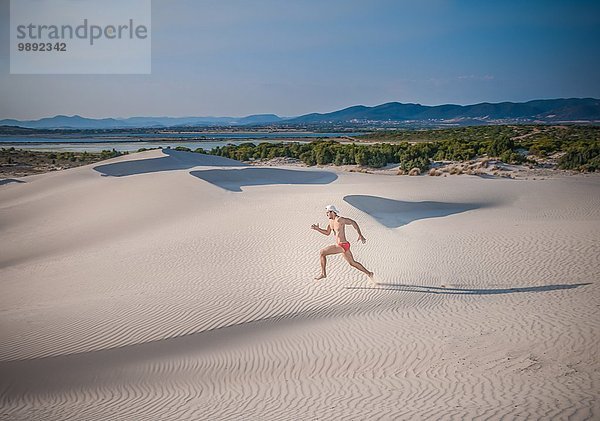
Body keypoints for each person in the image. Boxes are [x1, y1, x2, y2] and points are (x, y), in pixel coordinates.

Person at [311, 204, 373, 280]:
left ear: (332, 212)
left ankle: (323, 274)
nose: (326, 214)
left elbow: (353, 222)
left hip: (342, 245)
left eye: (327, 212)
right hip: (343, 246)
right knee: (352, 263)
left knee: (322, 252)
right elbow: (327, 232)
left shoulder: (340, 219)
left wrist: (360, 234)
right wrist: (318, 229)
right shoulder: (331, 221)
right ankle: (369, 273)